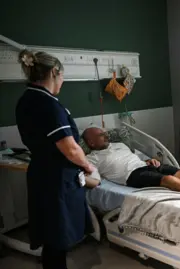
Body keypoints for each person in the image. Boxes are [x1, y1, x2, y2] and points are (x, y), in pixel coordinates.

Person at [15, 49, 96, 269]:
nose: (62, 81)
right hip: (57, 180)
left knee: (52, 238)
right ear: (54, 72)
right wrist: (88, 166)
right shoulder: (49, 105)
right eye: (62, 76)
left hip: (42, 174)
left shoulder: (26, 100)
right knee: (58, 238)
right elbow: (70, 149)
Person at [82, 127, 180, 195]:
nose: (106, 136)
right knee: (169, 180)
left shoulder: (119, 145)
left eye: (104, 133)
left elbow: (138, 156)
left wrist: (149, 160)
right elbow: (95, 181)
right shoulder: (92, 158)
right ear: (91, 143)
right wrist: (81, 178)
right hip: (132, 176)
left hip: (144, 166)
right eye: (101, 135)